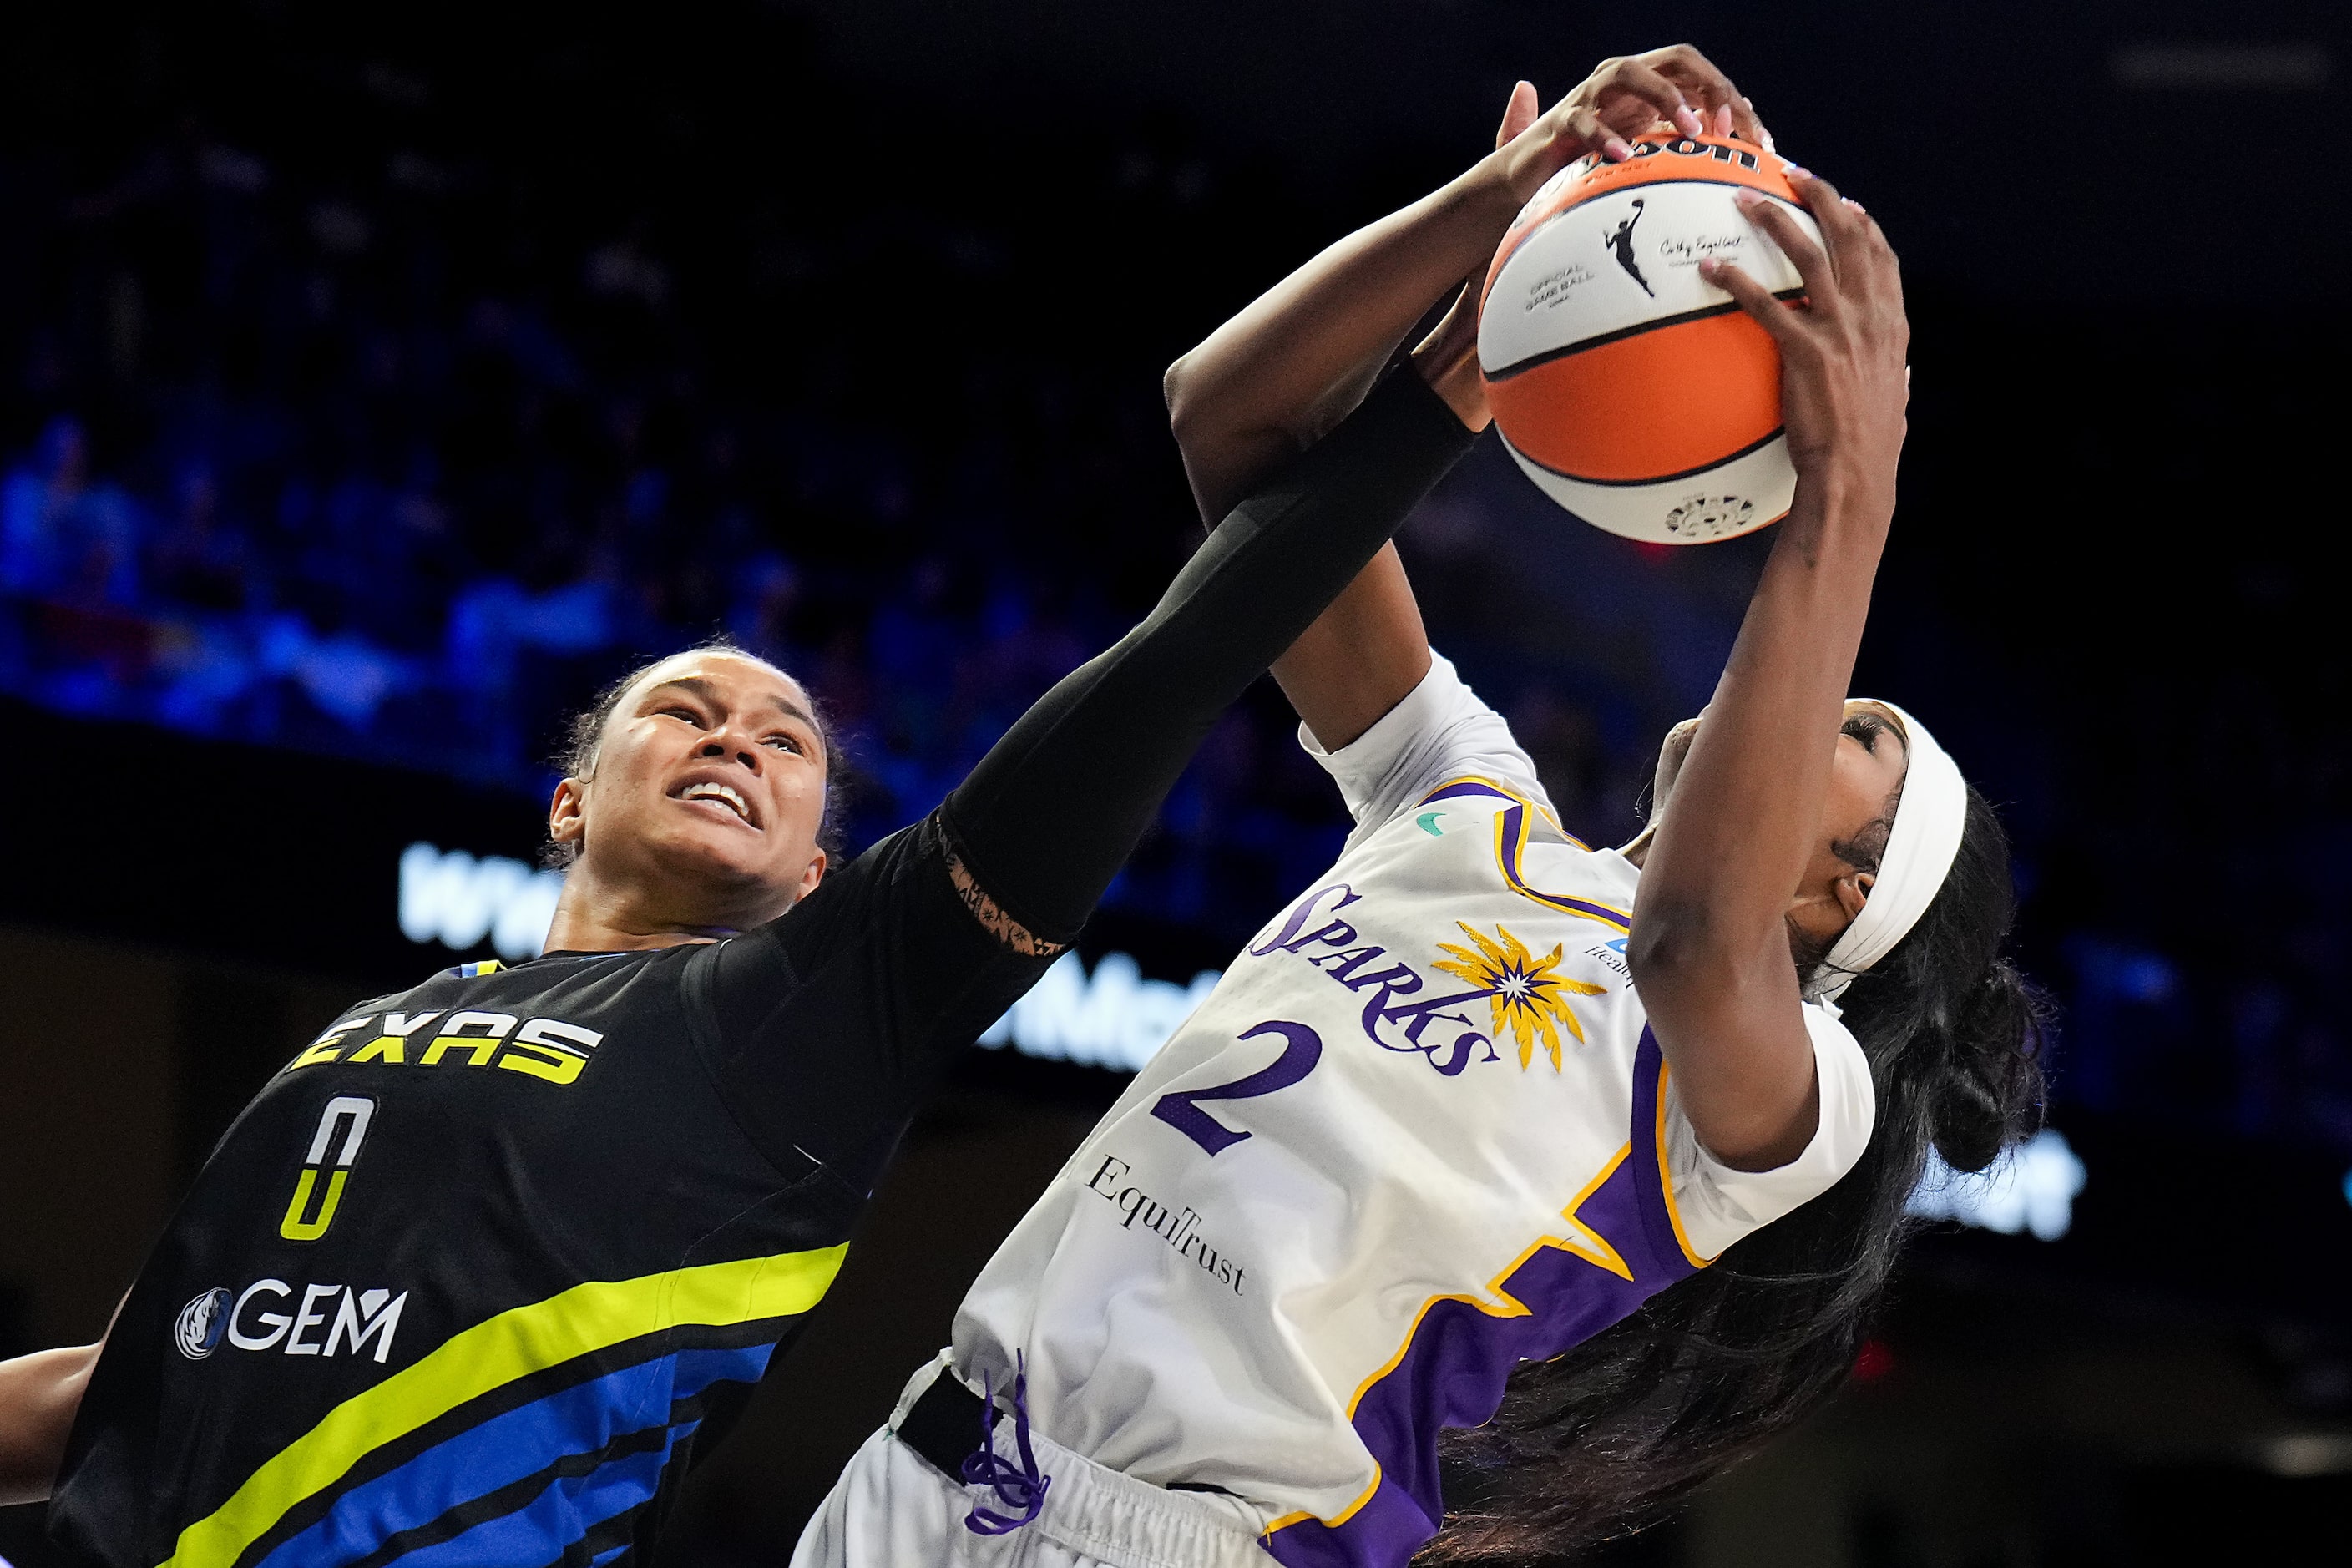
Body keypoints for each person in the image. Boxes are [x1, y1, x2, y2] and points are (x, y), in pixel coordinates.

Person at [792, 46, 2043, 1568]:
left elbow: (1696, 936)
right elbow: (1230, 431)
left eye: (1850, 729)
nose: (1801, 695)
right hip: (921, 1463)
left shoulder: (1792, 1104)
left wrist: (1849, 488)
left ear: (1842, 897)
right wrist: (1496, 239)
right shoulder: (1461, 800)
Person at [0, 295, 1485, 1562]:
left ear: (820, 876)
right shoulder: (362, 1033)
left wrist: (1435, 390)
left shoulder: (799, 1019)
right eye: (685, 711)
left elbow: (1174, 663)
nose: (736, 739)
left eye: (785, 742)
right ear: (571, 800)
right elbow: (120, 1390)